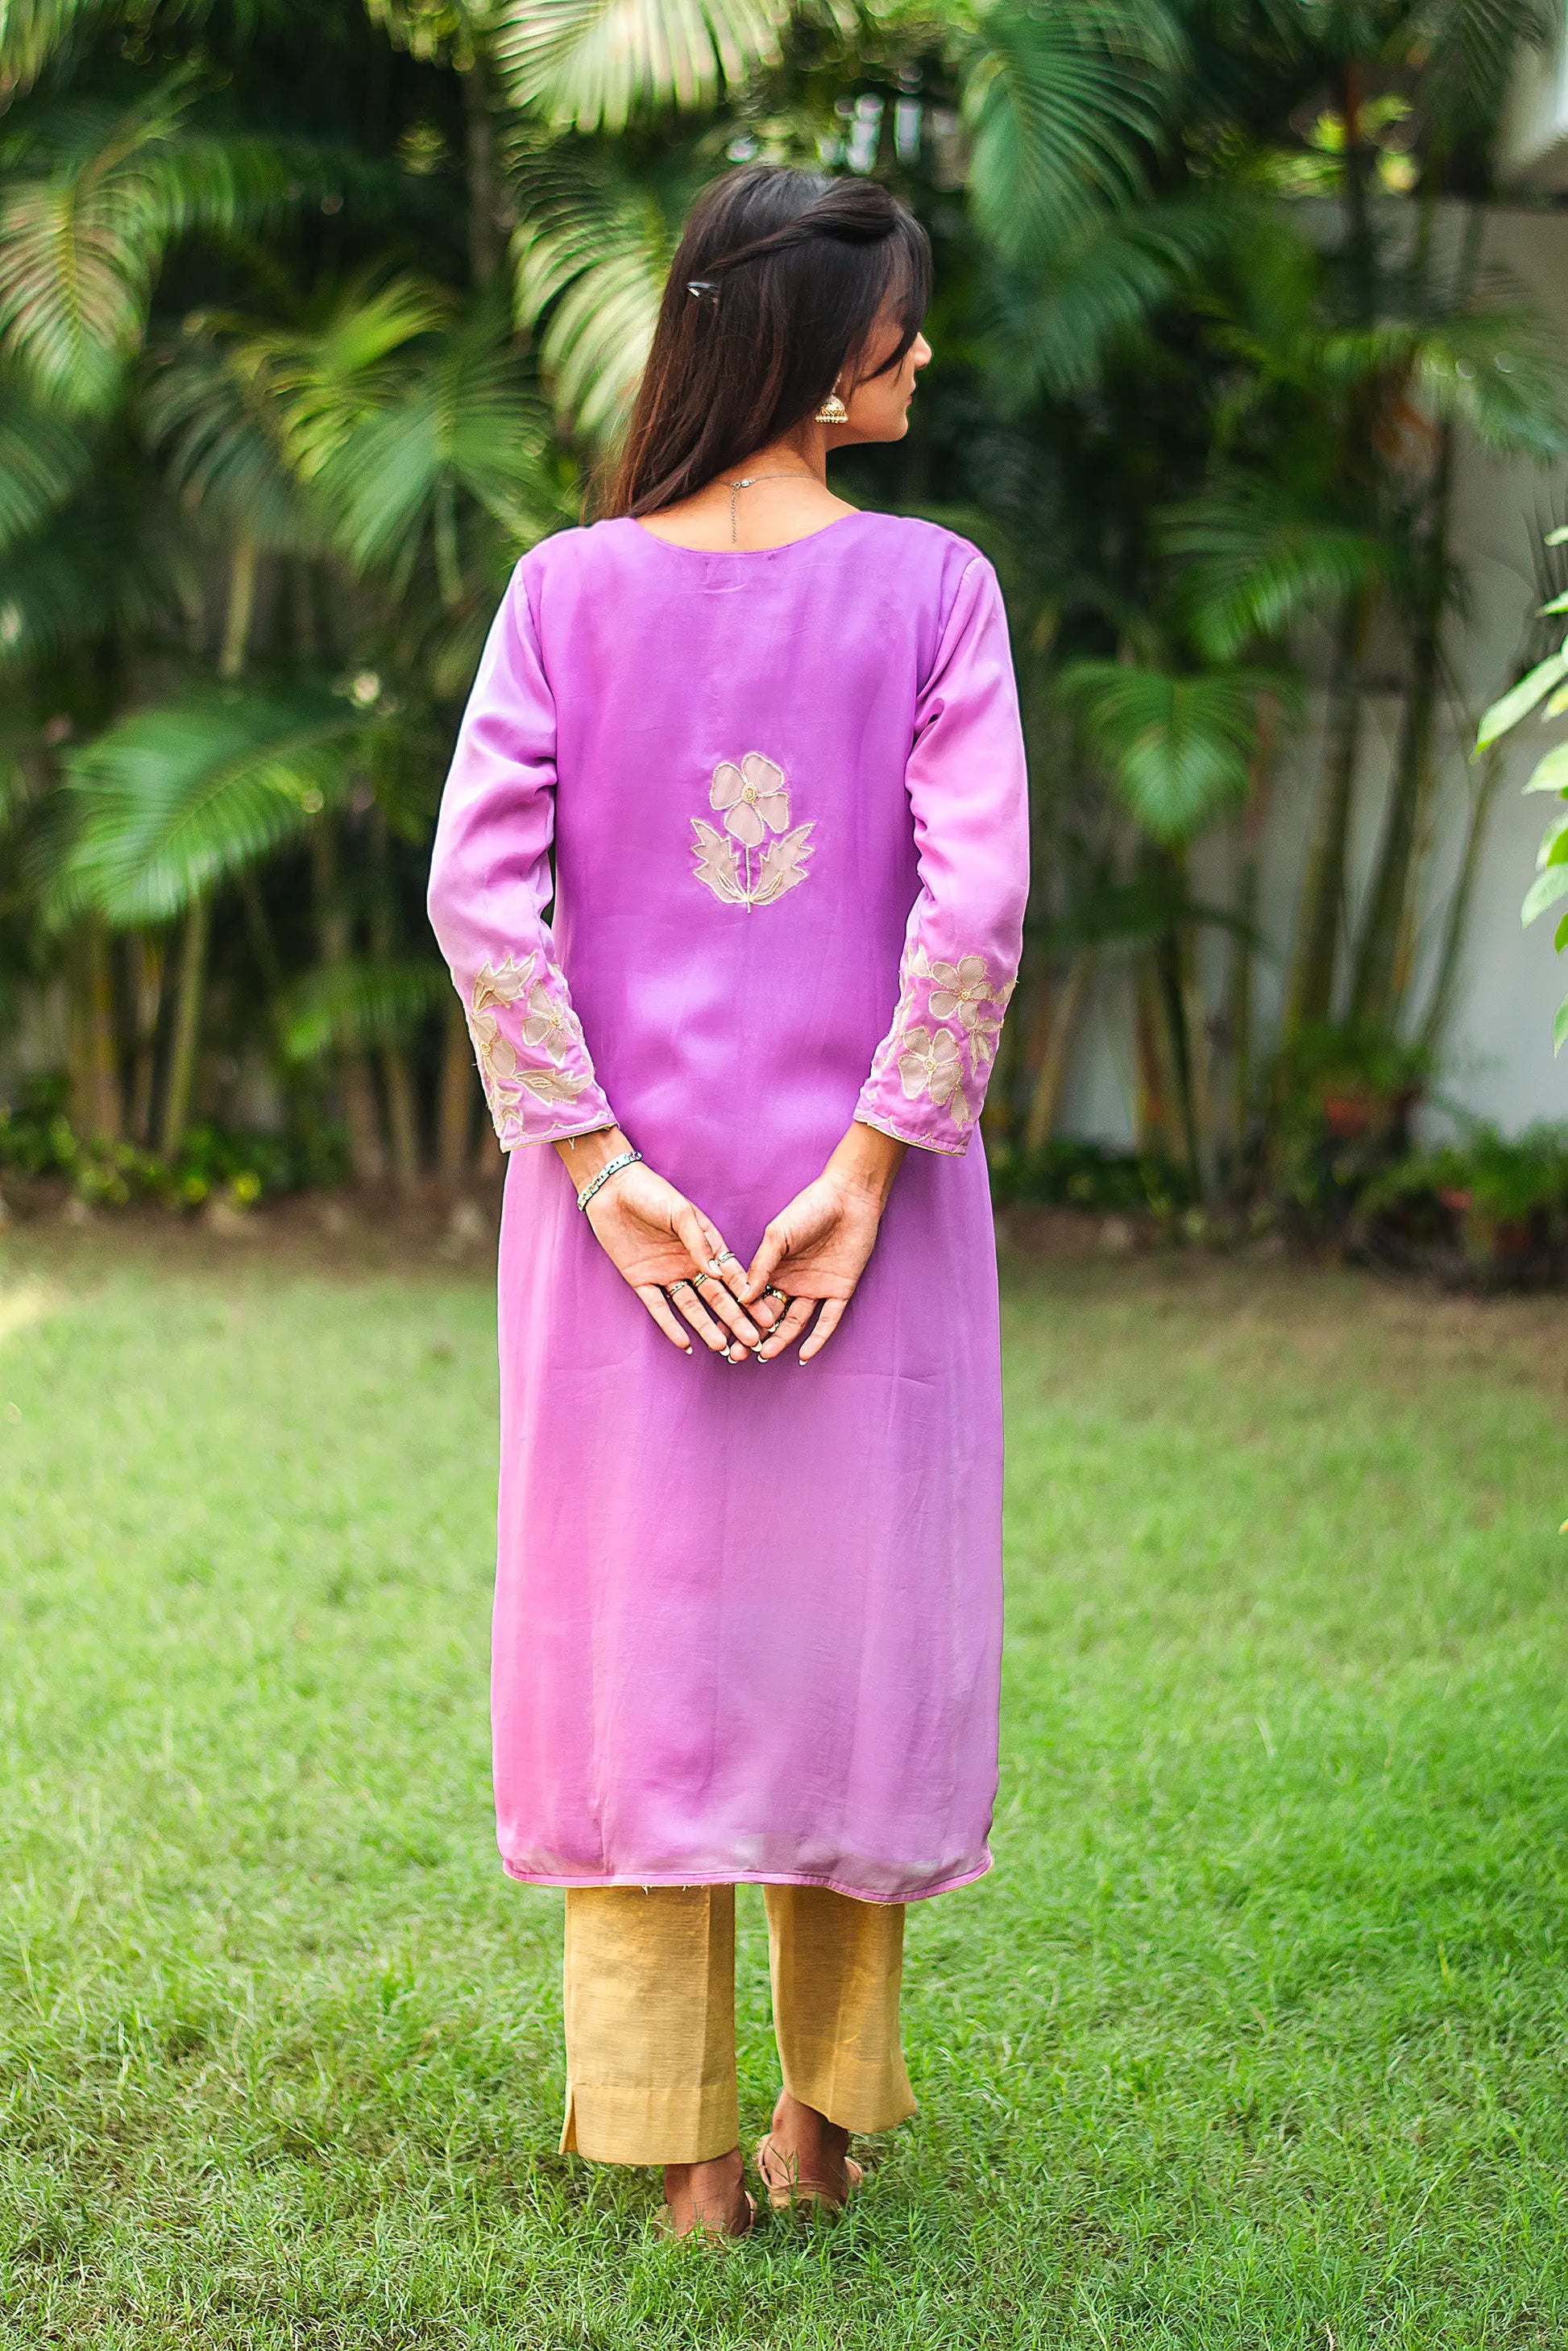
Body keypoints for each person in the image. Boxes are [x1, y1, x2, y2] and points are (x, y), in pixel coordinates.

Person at [426, 162, 1029, 2241]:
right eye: (902, 323)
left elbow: (473, 905)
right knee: (846, 1640)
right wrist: (868, 1167)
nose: (925, 354)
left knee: (643, 1656)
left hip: (628, 1236)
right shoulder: (938, 589)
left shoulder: (558, 592)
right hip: (870, 1211)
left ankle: (691, 2166)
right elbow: (984, 910)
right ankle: (821, 2128)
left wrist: (597, 1170)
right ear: (815, 347)